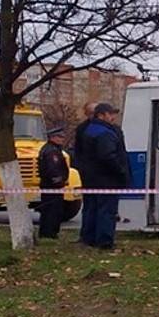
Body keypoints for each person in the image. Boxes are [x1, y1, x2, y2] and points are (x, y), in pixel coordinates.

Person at [80, 103, 130, 249]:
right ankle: (104, 241)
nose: (113, 117)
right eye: (110, 114)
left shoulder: (89, 130)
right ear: (101, 115)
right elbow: (108, 157)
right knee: (106, 211)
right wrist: (121, 171)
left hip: (92, 178)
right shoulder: (105, 133)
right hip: (107, 179)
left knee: (92, 209)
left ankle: (89, 238)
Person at [37, 125, 69, 239]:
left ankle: (47, 232)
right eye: (59, 137)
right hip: (52, 186)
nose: (62, 139)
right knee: (52, 211)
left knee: (49, 210)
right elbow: (53, 169)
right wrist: (59, 182)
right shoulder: (52, 151)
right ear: (52, 137)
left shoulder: (50, 149)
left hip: (49, 185)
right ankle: (49, 233)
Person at [73, 102, 96, 244]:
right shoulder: (84, 129)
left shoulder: (84, 128)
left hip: (90, 172)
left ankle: (90, 235)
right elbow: (79, 151)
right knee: (90, 205)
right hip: (90, 173)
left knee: (93, 205)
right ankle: (87, 235)